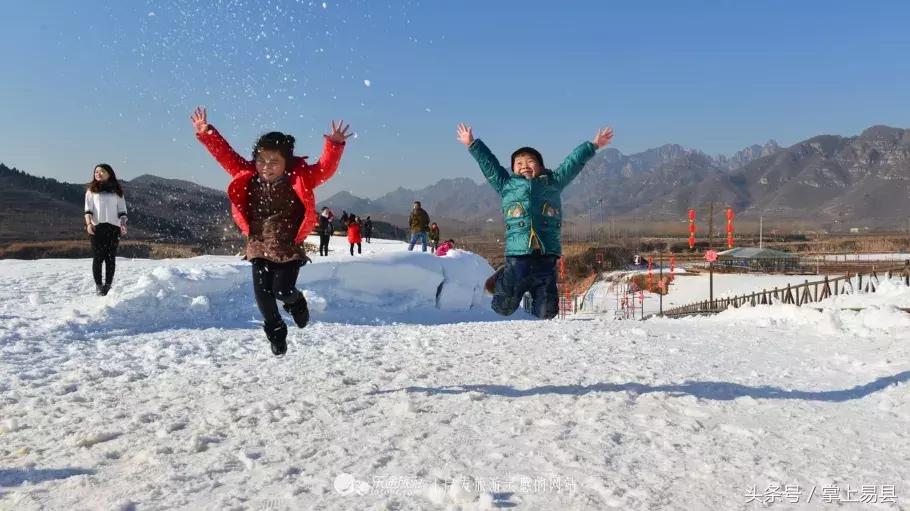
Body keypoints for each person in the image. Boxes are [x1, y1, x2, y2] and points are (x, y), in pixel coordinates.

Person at [191, 106, 351, 355]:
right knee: (263, 295)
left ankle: (296, 302)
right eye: (261, 160)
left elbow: (325, 169)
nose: (266, 167)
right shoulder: (248, 174)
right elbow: (225, 155)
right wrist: (207, 132)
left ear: (286, 163)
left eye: (274, 162)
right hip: (259, 244)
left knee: (282, 290)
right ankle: (276, 331)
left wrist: (334, 144)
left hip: (287, 246)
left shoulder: (300, 177)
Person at [457, 122, 614, 319]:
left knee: (547, 312)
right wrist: (472, 144)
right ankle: (502, 277)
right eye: (519, 163)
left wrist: (593, 145)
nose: (524, 166)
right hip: (518, 255)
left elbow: (572, 164)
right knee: (502, 307)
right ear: (513, 169)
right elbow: (489, 165)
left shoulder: (553, 182)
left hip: (546, 254)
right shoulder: (506, 185)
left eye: (530, 162)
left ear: (540, 166)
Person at [84, 164, 128, 296]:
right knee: (98, 257)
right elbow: (88, 210)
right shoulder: (91, 190)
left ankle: (108, 286)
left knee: (110, 258)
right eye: (96, 172)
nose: (98, 173)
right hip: (96, 227)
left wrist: (123, 223)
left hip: (114, 227)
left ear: (109, 173)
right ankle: (99, 286)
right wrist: (88, 224)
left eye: (102, 171)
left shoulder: (117, 190)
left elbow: (122, 210)